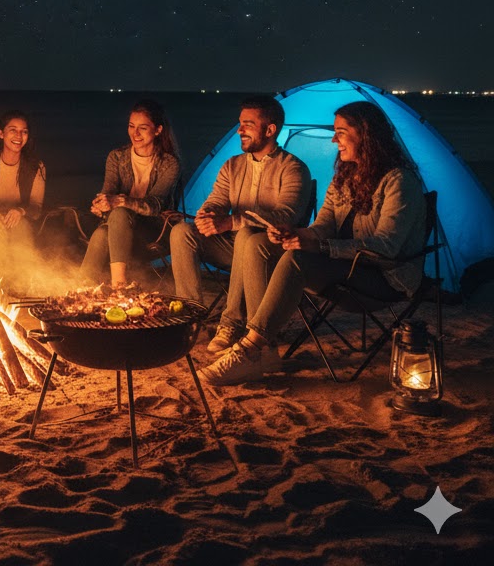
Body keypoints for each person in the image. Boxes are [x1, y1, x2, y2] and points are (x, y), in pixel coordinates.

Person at [199, 101, 426, 385]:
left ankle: (250, 348)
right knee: (260, 243)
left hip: (383, 278)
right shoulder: (345, 179)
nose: (334, 139)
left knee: (298, 260)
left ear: (366, 135)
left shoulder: (398, 181)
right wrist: (294, 234)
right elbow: (323, 227)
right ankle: (265, 348)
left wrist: (320, 248)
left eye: (341, 132)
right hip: (344, 269)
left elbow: (385, 246)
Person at [170, 95, 311, 358]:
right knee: (182, 231)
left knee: (246, 234)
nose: (239, 130)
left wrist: (231, 221)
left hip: (270, 251)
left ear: (270, 130)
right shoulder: (232, 165)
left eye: (247, 124)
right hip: (232, 247)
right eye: (240, 123)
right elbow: (217, 199)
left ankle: (231, 323)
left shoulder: (293, 169)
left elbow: (286, 214)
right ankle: (190, 315)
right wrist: (208, 214)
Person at [80, 99, 181, 288]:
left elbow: (155, 205)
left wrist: (119, 201)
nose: (135, 133)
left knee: (118, 212)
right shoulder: (117, 157)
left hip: (155, 231)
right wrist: (101, 204)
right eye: (131, 126)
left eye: (142, 128)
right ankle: (83, 289)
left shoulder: (170, 163)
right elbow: (108, 191)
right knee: (103, 231)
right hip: (118, 231)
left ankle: (119, 284)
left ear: (157, 130)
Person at [0, 110, 46, 291]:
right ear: (1, 133)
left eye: (24, 131)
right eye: (13, 130)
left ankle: (19, 285)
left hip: (21, 221)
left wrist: (20, 212)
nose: (19, 136)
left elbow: (37, 207)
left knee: (20, 230)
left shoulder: (36, 166)